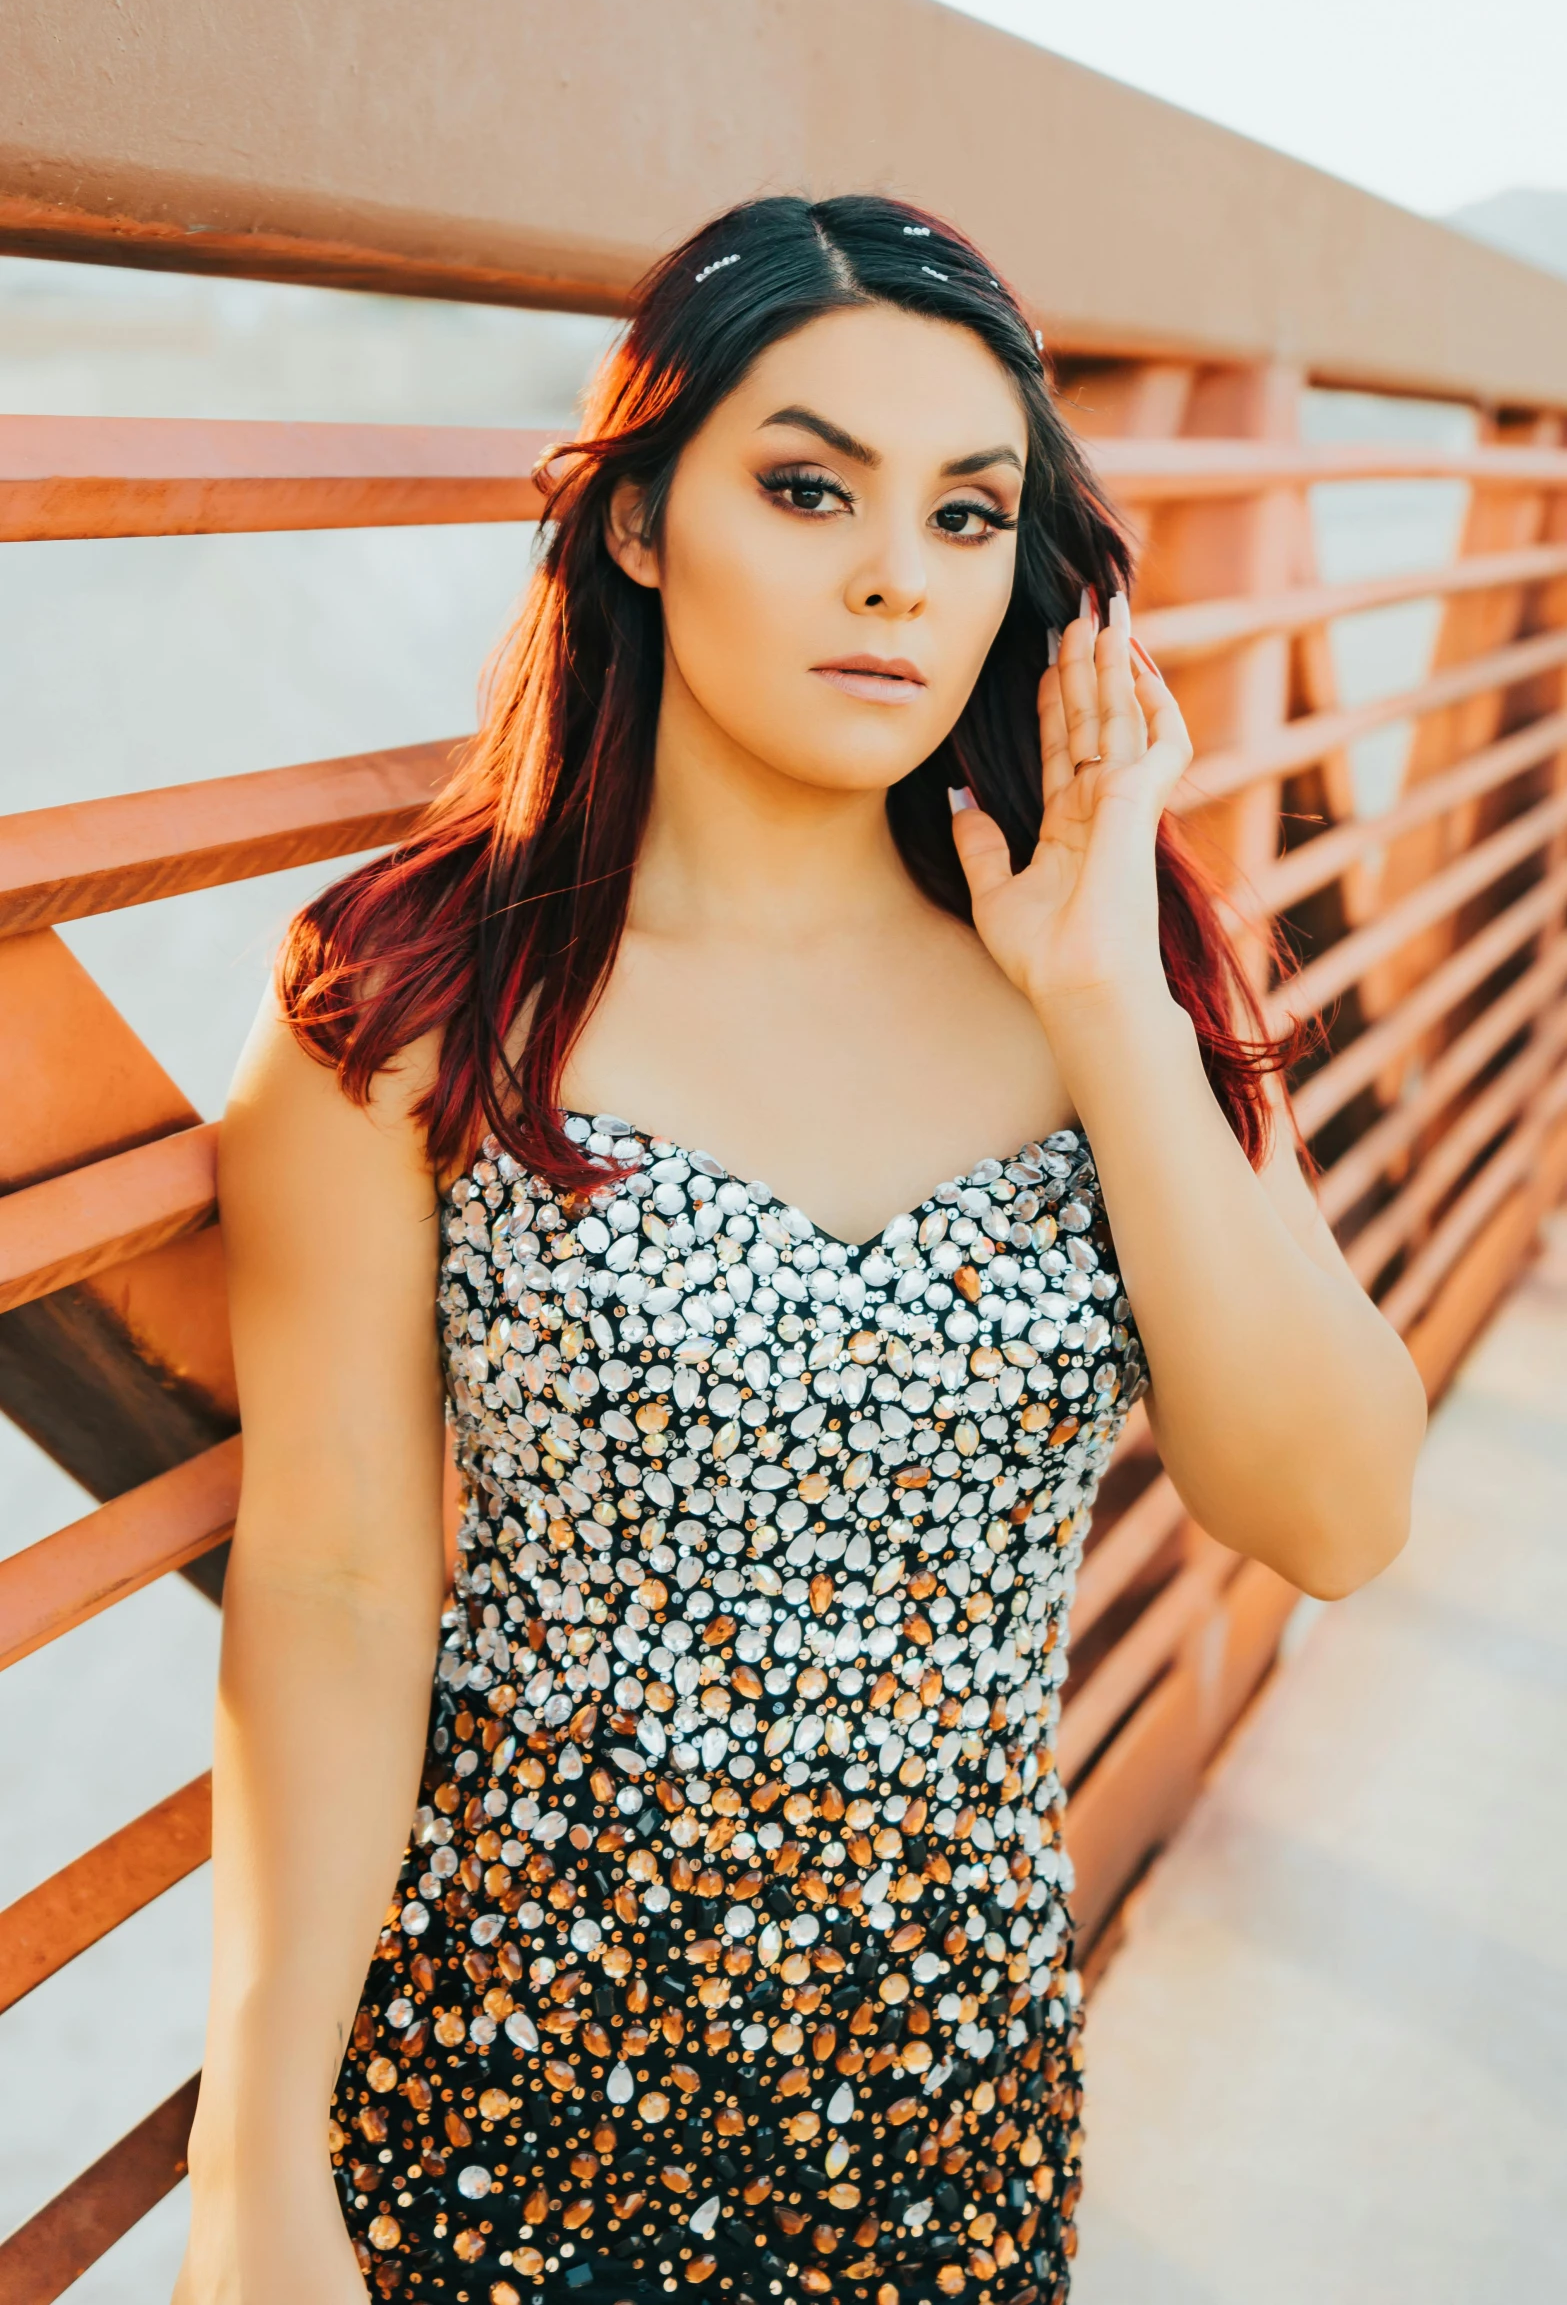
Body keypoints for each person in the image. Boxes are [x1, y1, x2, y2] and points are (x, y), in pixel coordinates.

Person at [174, 194, 1424, 2305]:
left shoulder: (1130, 967)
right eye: (806, 485)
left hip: (949, 2116)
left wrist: (1108, 1001)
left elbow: (1336, 1507)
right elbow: (330, 1576)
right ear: (644, 521)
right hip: (503, 2108)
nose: (891, 577)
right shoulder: (417, 1001)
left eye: (965, 515)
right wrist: (250, 2149)